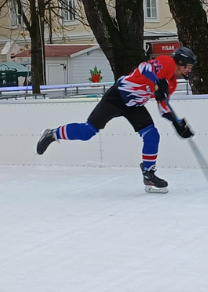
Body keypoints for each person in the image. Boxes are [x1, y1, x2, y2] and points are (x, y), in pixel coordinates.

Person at [36, 47, 198, 193]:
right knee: (88, 131)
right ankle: (52, 133)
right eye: (188, 66)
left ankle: (148, 174)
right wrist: (157, 83)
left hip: (134, 105)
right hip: (118, 96)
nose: (189, 70)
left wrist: (177, 123)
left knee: (152, 135)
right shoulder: (167, 62)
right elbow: (144, 69)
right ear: (181, 61)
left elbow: (163, 106)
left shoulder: (172, 83)